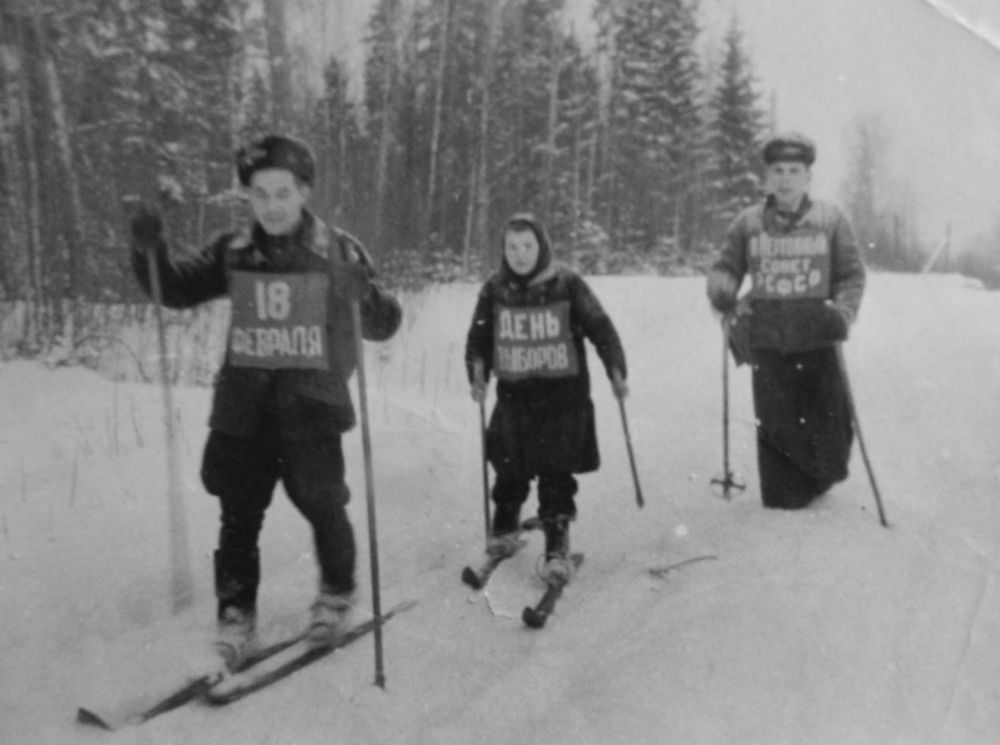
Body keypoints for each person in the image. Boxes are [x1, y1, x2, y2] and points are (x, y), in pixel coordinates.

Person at [129, 134, 402, 668]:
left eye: (282, 193)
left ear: (304, 192)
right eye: (260, 194)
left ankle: (336, 594)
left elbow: (384, 323)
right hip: (245, 410)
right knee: (238, 516)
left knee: (323, 505)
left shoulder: (338, 249)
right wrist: (149, 251)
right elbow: (175, 288)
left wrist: (364, 295)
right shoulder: (234, 249)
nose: (271, 205)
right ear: (247, 196)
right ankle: (236, 616)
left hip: (312, 409)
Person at [465, 213, 628, 585]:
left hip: (561, 400)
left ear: (541, 247)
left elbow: (600, 327)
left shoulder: (566, 284)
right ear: (503, 250)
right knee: (509, 466)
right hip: (515, 397)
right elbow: (479, 336)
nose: (520, 255)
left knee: (556, 473)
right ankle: (504, 526)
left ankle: (557, 544)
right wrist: (477, 369)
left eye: (527, 246)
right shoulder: (495, 288)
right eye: (512, 247)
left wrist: (615, 367)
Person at [706, 132, 866, 509]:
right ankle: (785, 496)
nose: (785, 179)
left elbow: (850, 275)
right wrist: (723, 290)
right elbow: (726, 266)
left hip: (817, 336)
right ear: (767, 176)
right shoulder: (748, 223)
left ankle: (819, 475)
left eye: (794, 171)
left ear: (808, 176)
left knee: (831, 431)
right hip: (768, 339)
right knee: (777, 428)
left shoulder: (829, 220)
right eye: (777, 170)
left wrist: (842, 314)